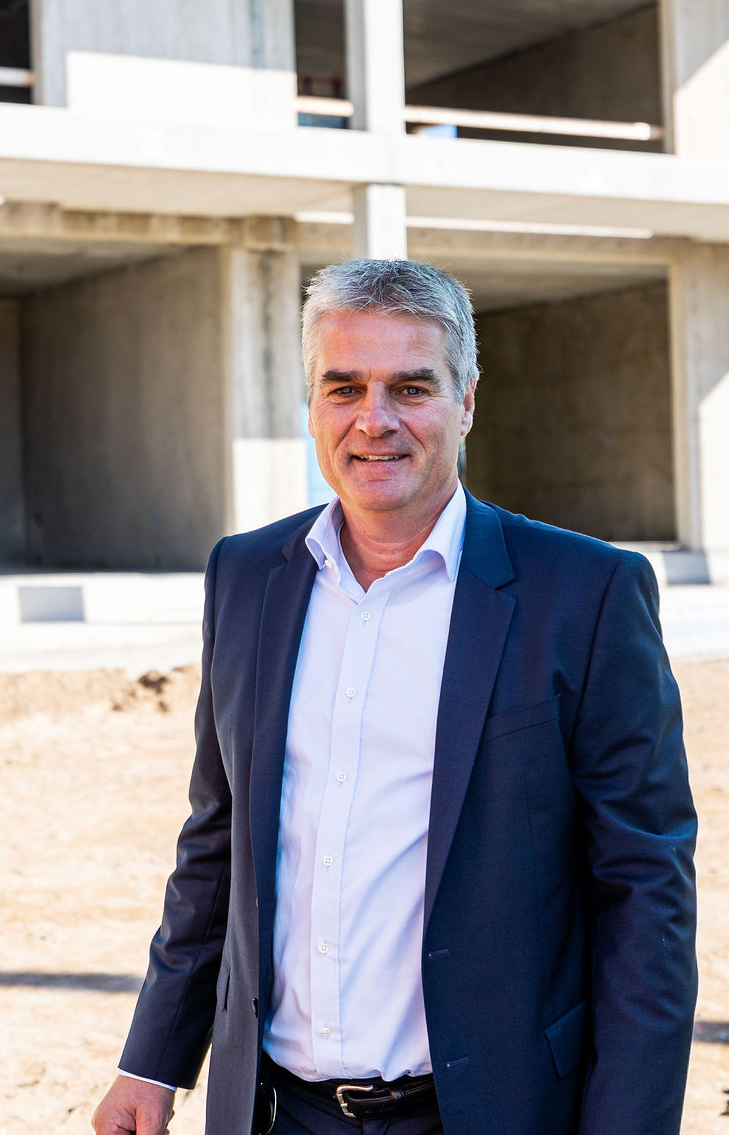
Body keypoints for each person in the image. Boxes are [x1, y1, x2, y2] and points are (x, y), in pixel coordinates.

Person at [92, 259, 696, 1135]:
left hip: (488, 1111)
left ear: (467, 402)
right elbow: (217, 845)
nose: (374, 420)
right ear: (311, 407)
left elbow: (646, 891)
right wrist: (151, 1061)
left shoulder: (586, 594)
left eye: (411, 387)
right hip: (273, 1113)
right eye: (344, 388)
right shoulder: (246, 576)